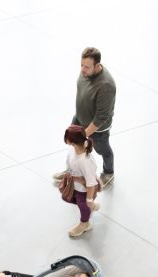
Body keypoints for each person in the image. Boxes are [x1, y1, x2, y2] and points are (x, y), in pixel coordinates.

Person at [55, 47, 116, 186]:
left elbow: (101, 117)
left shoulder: (106, 85)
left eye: (87, 67)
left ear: (97, 66)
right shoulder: (86, 72)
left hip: (97, 128)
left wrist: (83, 134)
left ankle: (108, 172)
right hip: (79, 117)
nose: (82, 69)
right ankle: (71, 171)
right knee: (74, 145)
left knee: (103, 150)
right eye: (81, 65)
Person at [62, 125, 100, 238]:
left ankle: (84, 223)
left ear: (71, 141)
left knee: (82, 205)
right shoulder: (72, 150)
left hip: (83, 190)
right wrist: (69, 174)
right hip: (75, 185)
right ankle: (92, 206)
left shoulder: (85, 161)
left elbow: (91, 183)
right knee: (78, 202)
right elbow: (69, 164)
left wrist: (89, 200)